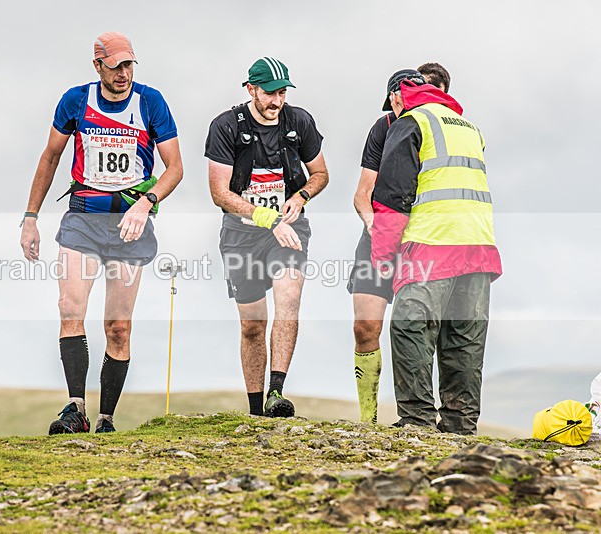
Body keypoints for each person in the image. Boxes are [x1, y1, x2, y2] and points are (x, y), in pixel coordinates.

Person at [20, 32, 183, 434]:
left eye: (129, 65)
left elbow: (175, 168)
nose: (123, 73)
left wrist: (146, 203)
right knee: (69, 308)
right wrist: (30, 217)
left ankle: (106, 418)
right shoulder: (76, 100)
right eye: (115, 66)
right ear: (98, 66)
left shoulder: (151, 102)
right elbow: (50, 156)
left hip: (130, 224)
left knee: (118, 326)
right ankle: (75, 409)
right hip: (83, 219)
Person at [370, 71, 502, 435]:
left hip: (431, 243)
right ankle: (460, 425)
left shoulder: (410, 123)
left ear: (397, 97)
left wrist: (383, 258)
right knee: (464, 338)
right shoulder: (469, 128)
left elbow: (392, 198)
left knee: (409, 326)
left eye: (393, 105)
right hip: (478, 245)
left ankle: (417, 422)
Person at [205, 57, 329, 417]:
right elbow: (219, 193)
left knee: (288, 297)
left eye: (282, 93)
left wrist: (300, 197)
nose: (277, 101)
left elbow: (320, 174)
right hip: (241, 235)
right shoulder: (226, 126)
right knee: (252, 325)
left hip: (288, 231)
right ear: (251, 90)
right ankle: (255, 410)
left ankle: (277, 392)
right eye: (270, 93)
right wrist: (267, 218)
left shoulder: (299, 121)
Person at [348, 65, 452, 424]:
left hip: (422, 241)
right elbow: (362, 193)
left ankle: (423, 415)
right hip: (379, 233)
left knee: (421, 331)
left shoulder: (440, 128)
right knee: (365, 327)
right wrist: (373, 224)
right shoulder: (383, 127)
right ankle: (368, 421)